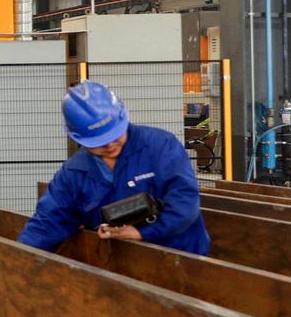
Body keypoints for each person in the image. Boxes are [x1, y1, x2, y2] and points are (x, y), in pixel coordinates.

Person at [18, 80, 210, 256]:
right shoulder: (74, 174)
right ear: (77, 138)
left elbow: (185, 200)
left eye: (114, 135)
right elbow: (49, 221)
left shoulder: (160, 147)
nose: (110, 145)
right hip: (122, 265)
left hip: (182, 258)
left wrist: (143, 232)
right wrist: (18, 258)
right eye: (99, 142)